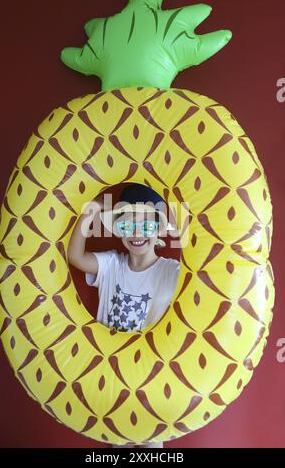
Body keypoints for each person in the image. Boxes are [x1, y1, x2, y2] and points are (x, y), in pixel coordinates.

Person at [68, 184, 180, 448]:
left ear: (159, 229)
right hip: (113, 383)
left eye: (147, 226)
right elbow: (75, 255)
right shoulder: (110, 264)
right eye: (128, 225)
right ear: (118, 230)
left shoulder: (172, 272)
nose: (138, 234)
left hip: (153, 384)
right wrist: (90, 211)